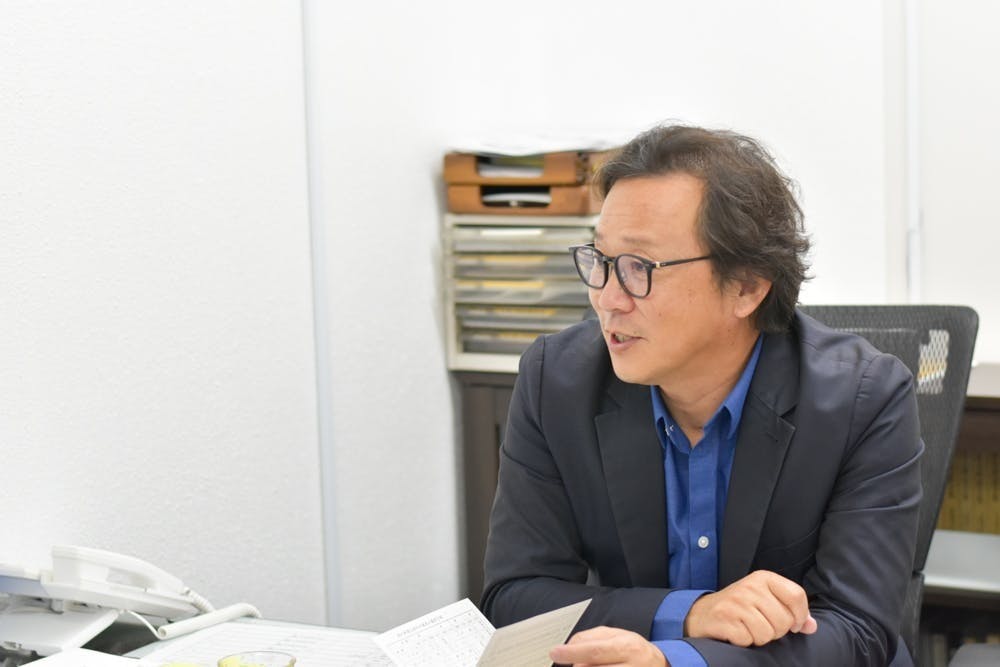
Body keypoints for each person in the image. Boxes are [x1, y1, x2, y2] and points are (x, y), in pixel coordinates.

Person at [480, 124, 922, 666]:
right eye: (600, 260)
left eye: (639, 268)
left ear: (747, 287)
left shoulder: (864, 399)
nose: (607, 299)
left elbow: (858, 632)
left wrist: (676, 661)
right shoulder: (558, 380)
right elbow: (515, 598)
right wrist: (690, 613)